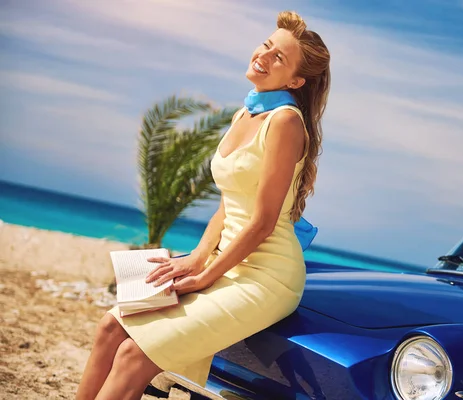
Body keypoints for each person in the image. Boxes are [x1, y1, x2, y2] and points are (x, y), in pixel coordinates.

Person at [76, 10, 331, 400]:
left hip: (265, 277)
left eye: (278, 57)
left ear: (296, 80)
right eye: (266, 46)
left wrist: (205, 276)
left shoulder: (285, 122)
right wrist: (196, 258)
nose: (263, 56)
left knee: (134, 354)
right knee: (110, 328)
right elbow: (230, 205)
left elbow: (262, 222)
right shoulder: (245, 113)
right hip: (223, 261)